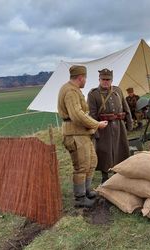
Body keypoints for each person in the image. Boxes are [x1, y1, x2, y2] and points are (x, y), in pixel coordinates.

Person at [57, 65, 108, 208]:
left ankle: (86, 191)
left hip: (82, 133)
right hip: (75, 134)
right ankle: (80, 198)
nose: (85, 80)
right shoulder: (70, 92)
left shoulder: (74, 90)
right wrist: (96, 124)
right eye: (85, 78)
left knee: (91, 162)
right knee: (81, 166)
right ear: (80, 78)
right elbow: (77, 115)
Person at [87, 68, 133, 183]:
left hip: (119, 125)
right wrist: (96, 130)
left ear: (111, 80)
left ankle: (119, 172)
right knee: (104, 151)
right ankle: (105, 175)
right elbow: (92, 114)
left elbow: (125, 107)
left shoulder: (117, 90)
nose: (106, 81)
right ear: (99, 79)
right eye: (103, 79)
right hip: (103, 127)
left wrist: (129, 123)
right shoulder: (93, 94)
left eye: (108, 79)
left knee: (120, 148)